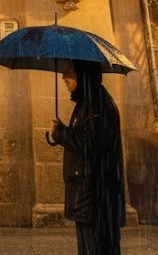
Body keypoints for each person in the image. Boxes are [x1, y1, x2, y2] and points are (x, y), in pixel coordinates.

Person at [50, 59, 126, 255]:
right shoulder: (89, 101)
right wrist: (62, 131)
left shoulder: (96, 105)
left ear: (82, 75)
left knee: (95, 246)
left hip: (94, 195)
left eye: (69, 72)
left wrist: (60, 133)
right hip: (89, 193)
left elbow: (87, 143)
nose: (64, 77)